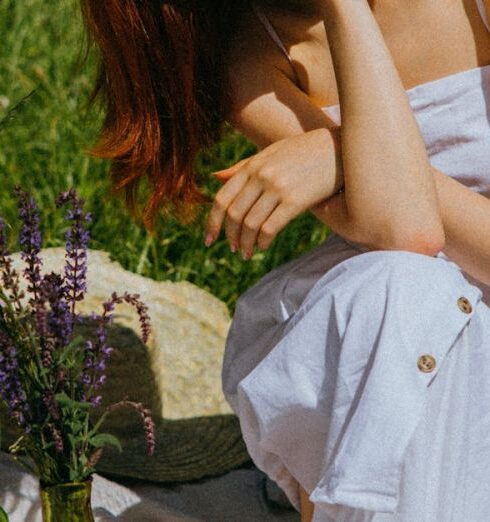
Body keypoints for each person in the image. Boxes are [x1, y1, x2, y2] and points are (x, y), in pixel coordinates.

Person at [81, 0, 490, 520]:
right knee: (399, 287)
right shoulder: (257, 56)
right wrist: (346, 11)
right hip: (384, 316)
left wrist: (334, 154)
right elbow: (408, 231)